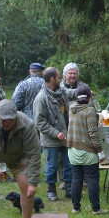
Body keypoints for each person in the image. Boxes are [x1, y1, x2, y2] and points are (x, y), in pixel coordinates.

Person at [0, 100, 41, 218]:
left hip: (17, 157)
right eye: (3, 120)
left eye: (10, 120)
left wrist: (33, 182)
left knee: (26, 185)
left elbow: (33, 154)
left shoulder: (27, 124)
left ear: (16, 115)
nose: (6, 123)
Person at [67, 84, 109, 215]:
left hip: (72, 150)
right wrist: (100, 151)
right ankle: (96, 209)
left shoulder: (71, 109)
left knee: (76, 179)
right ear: (89, 97)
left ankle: (75, 208)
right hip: (87, 150)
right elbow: (93, 133)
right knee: (92, 179)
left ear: (76, 97)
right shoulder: (89, 110)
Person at [34, 67, 72, 201]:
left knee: (69, 164)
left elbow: (70, 97)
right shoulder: (41, 98)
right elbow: (39, 122)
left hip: (65, 136)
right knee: (52, 166)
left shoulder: (61, 93)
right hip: (51, 139)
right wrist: (56, 133)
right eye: (59, 77)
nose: (61, 79)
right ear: (52, 79)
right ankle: (51, 191)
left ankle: (69, 190)